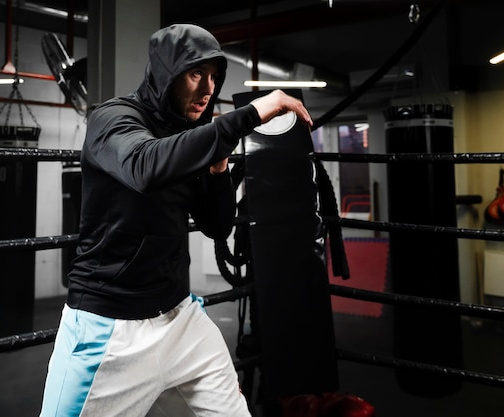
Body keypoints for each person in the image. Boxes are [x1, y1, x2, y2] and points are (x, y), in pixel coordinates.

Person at [39, 23, 313, 417]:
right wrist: (248, 115)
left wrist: (218, 172)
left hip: (179, 318)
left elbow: (217, 227)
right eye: (196, 73)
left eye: (214, 77)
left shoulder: (193, 136)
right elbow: (144, 166)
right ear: (167, 73)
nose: (207, 89)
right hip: (112, 327)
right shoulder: (112, 118)